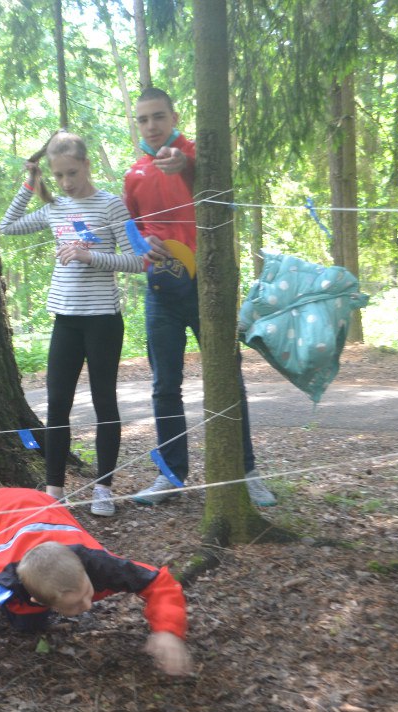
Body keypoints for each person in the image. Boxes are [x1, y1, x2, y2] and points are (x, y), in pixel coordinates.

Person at [0, 487, 192, 701]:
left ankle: (29, 609)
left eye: (87, 593)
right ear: (38, 598)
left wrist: (167, 631)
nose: (87, 605)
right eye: (76, 604)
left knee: (27, 625)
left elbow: (158, 582)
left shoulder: (99, 565)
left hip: (37, 508)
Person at [123, 88, 277, 508]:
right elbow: (131, 228)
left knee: (227, 376)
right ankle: (171, 475)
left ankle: (245, 471)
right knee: (164, 385)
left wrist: (187, 166)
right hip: (161, 290)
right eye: (143, 119)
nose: (151, 126)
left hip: (207, 286)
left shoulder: (197, 156)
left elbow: (219, 194)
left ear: (174, 117)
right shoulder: (134, 174)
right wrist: (142, 243)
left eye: (159, 116)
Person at [0, 132, 145, 517]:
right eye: (59, 175)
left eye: (72, 173)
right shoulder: (55, 208)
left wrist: (90, 256)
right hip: (65, 320)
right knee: (57, 404)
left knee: (104, 402)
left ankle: (103, 488)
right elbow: (7, 226)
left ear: (87, 165)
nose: (66, 182)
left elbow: (138, 261)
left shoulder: (111, 205)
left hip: (103, 321)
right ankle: (54, 493)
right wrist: (30, 184)